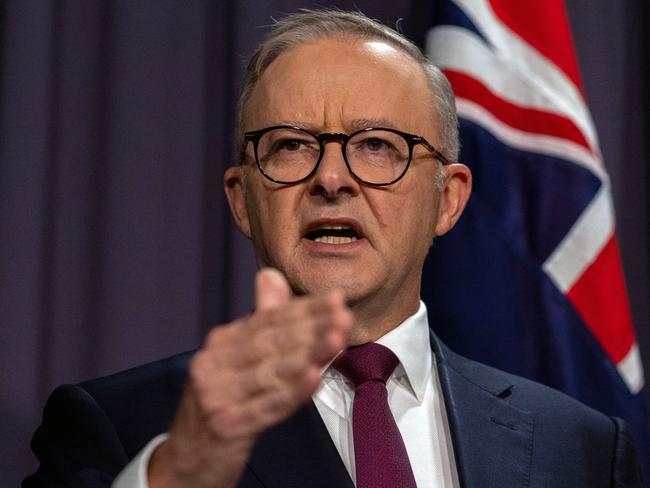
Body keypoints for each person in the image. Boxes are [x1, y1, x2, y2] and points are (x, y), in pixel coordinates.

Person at [25, 9, 642, 488]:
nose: (331, 178)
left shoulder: (579, 446)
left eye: (377, 145)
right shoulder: (122, 428)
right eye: (291, 145)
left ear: (448, 200)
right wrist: (182, 470)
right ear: (242, 199)